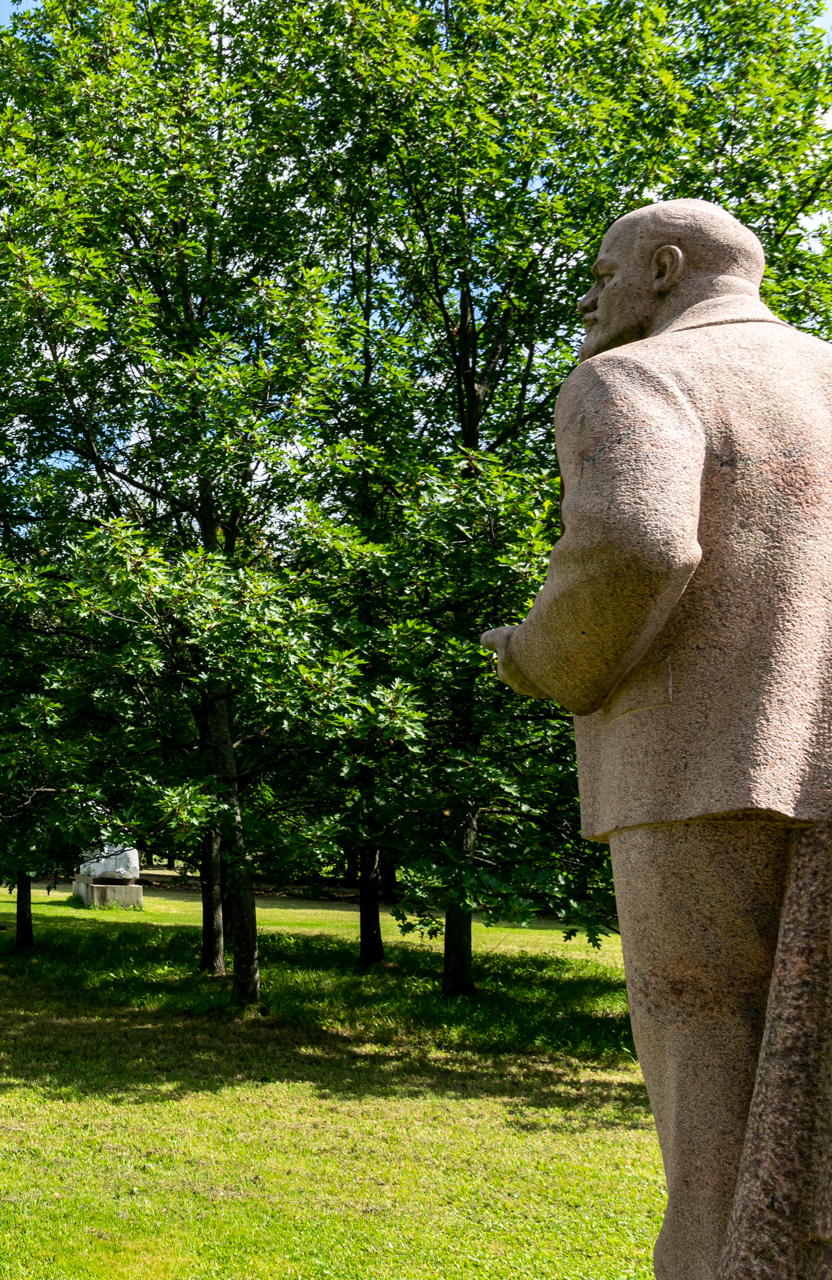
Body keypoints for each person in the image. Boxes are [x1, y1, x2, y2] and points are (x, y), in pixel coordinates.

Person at [483, 199, 832, 1279]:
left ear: (665, 268)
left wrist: (539, 655)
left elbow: (636, 539)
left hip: (702, 782)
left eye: (602, 273)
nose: (590, 298)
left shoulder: (641, 376)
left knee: (718, 1142)